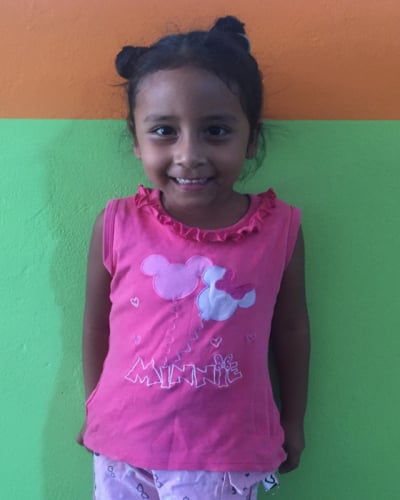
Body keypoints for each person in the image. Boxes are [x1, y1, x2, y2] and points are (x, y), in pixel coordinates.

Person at [78, 15, 310, 500]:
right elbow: (97, 325)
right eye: (164, 131)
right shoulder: (116, 223)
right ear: (136, 138)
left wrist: (293, 420)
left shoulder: (280, 229)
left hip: (222, 455)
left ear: (251, 138)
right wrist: (94, 407)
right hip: (121, 448)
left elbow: (290, 330)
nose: (189, 155)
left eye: (216, 131)